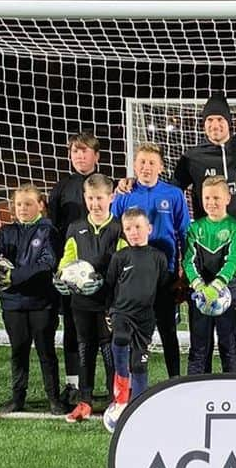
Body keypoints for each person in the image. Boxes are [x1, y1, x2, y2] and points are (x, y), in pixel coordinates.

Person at [172, 95, 236, 373]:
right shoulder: (192, 157)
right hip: (207, 253)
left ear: (230, 122)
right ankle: (200, 379)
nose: (215, 124)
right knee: (206, 318)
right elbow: (169, 190)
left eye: (220, 119)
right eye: (209, 120)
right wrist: (131, 183)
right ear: (203, 125)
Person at [0, 184, 63, 416]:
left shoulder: (48, 232)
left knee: (46, 352)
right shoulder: (6, 232)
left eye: (29, 203)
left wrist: (12, 276)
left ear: (40, 205)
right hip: (12, 304)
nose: (23, 208)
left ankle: (54, 399)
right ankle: (18, 398)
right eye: (19, 204)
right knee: (18, 351)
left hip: (42, 303)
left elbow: (46, 264)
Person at [110, 142, 190, 378]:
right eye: (142, 162)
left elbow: (184, 232)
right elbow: (113, 233)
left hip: (165, 275)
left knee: (168, 331)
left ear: (161, 167)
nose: (146, 167)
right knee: (133, 332)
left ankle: (175, 378)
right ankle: (130, 384)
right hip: (133, 275)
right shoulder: (124, 195)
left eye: (151, 163)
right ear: (134, 165)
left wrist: (184, 270)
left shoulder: (173, 195)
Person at [55, 173, 122, 423]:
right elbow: (67, 258)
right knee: (85, 348)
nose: (95, 204)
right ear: (85, 198)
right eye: (91, 198)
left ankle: (115, 399)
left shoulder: (118, 228)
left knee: (109, 349)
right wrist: (61, 275)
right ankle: (85, 401)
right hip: (80, 301)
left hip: (107, 302)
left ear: (111, 198)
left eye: (100, 198)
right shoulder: (75, 228)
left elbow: (123, 264)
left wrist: (105, 281)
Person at [48, 132, 103, 402]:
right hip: (72, 272)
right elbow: (54, 231)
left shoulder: (108, 185)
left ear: (96, 156)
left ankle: (110, 385)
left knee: (106, 331)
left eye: (85, 151)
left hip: (102, 270)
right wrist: (61, 269)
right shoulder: (61, 188)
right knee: (73, 328)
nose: (79, 156)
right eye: (75, 151)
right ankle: (73, 385)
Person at [105, 207, 170, 413]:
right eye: (128, 228)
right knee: (121, 337)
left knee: (140, 363)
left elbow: (162, 290)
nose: (134, 232)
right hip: (121, 312)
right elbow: (110, 285)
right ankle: (122, 388)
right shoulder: (120, 257)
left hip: (145, 318)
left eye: (138, 227)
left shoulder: (158, 257)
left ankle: (138, 406)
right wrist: (108, 311)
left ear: (149, 228)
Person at [183, 178, 236, 374]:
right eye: (207, 198)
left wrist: (217, 286)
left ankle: (232, 391)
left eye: (216, 197)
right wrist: (200, 286)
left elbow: (234, 260)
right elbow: (187, 261)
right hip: (200, 292)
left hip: (228, 292)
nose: (211, 202)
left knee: (228, 345)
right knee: (199, 346)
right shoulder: (194, 228)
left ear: (227, 198)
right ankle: (195, 393)